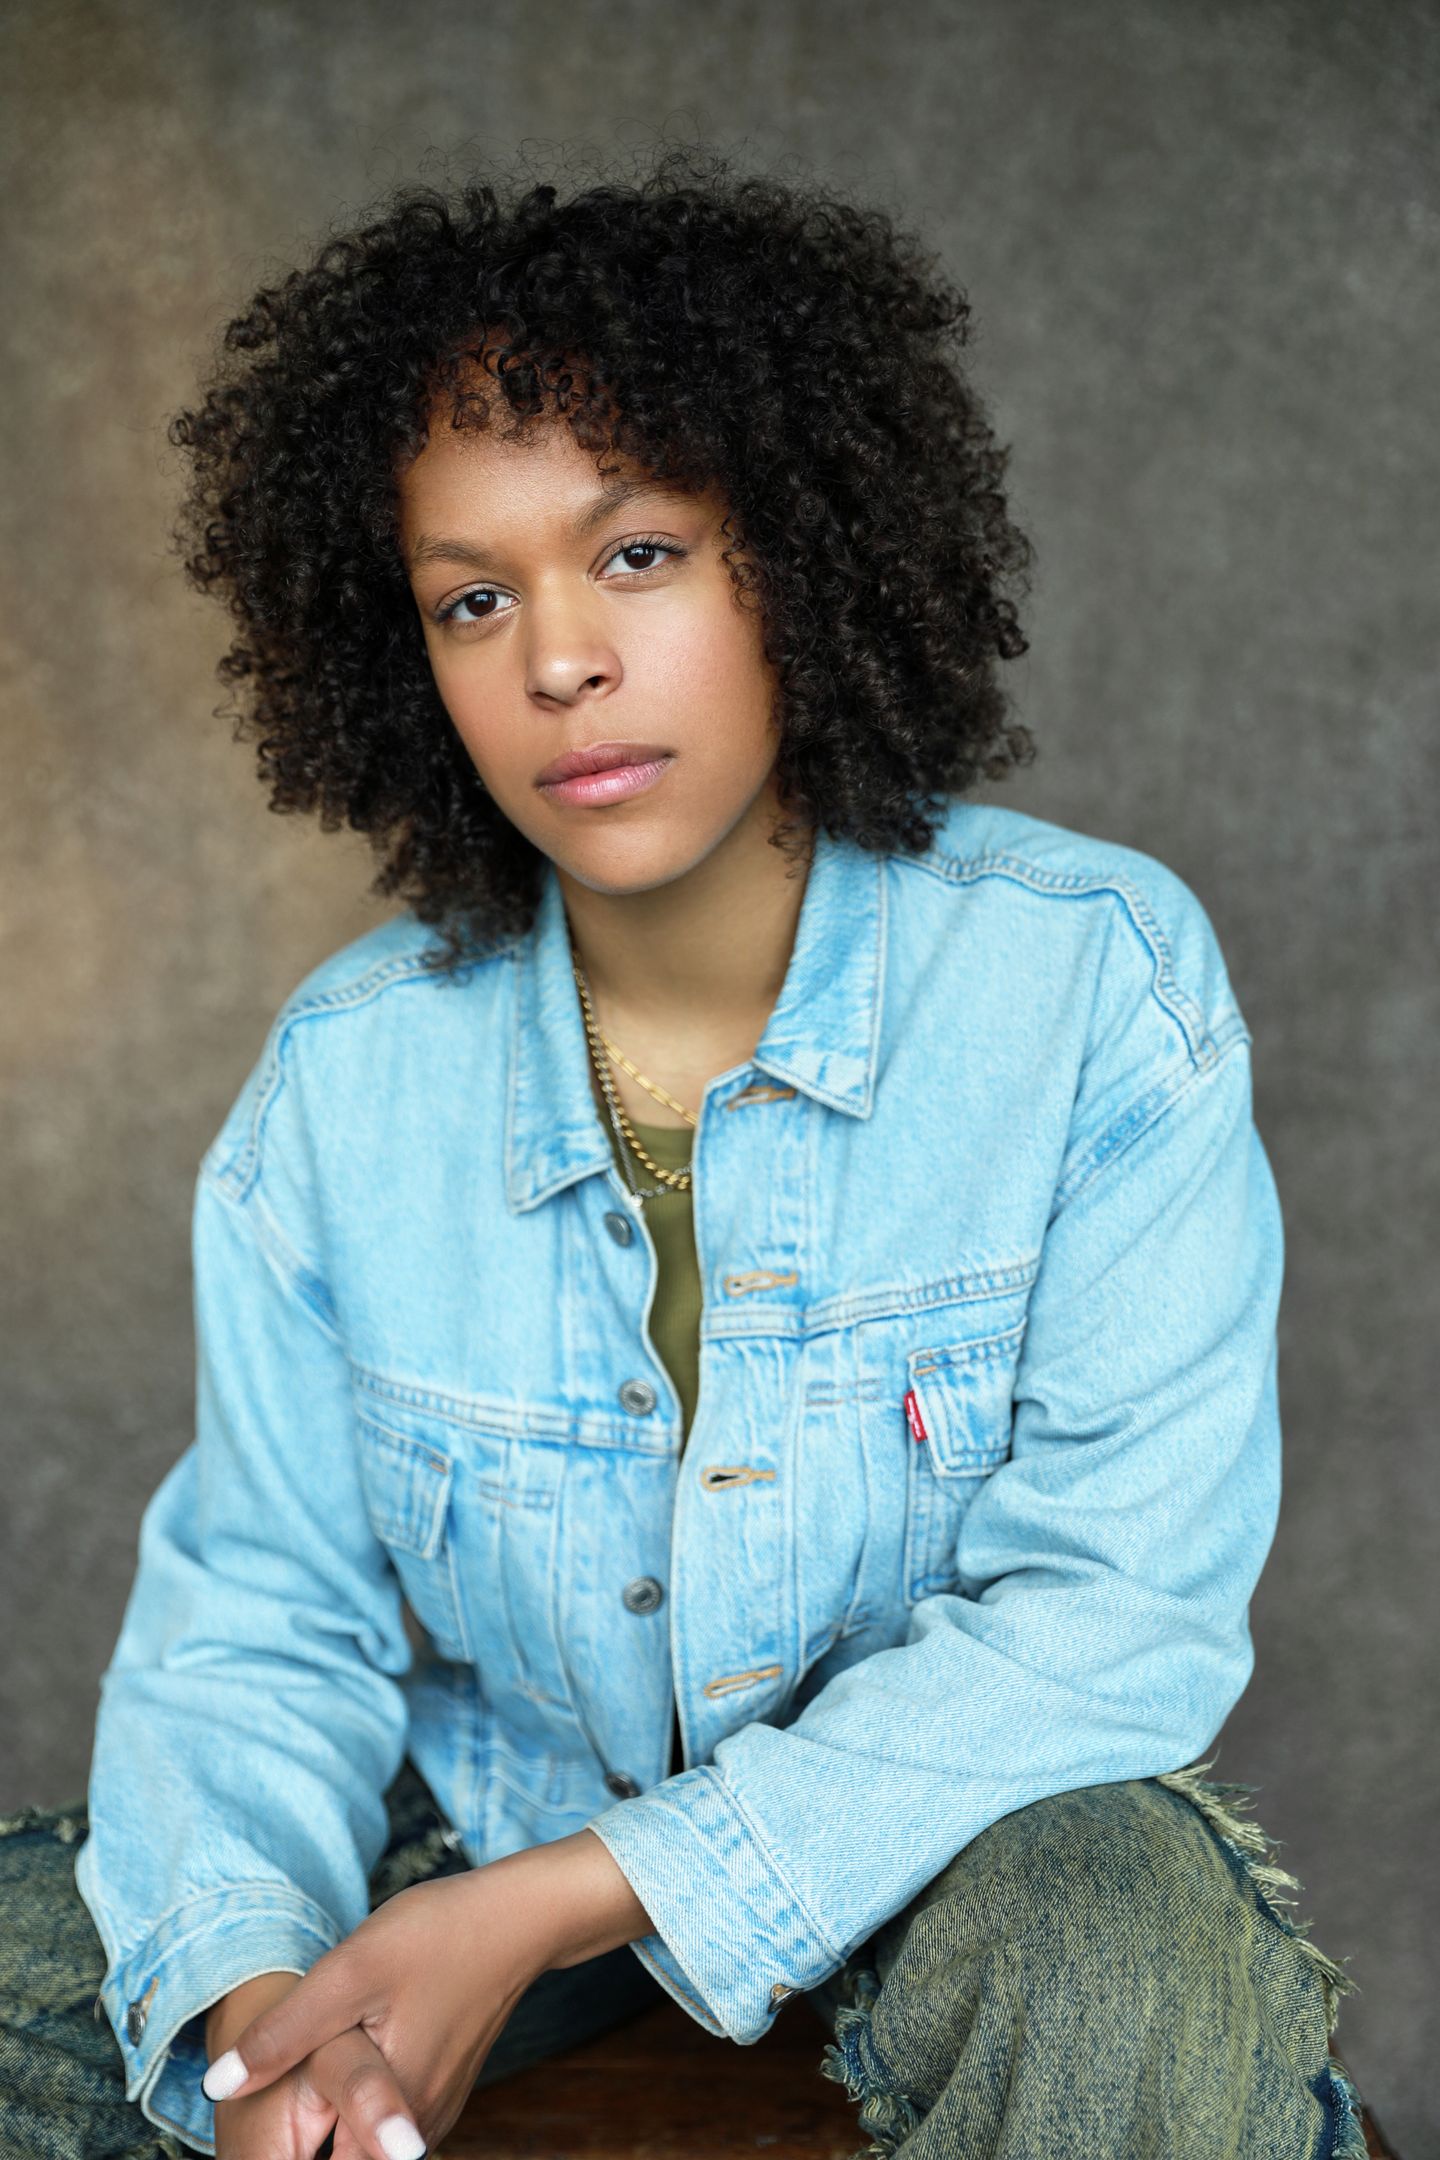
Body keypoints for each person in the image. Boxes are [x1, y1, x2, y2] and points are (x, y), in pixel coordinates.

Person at [0, 142, 1371, 2160]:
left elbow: (1114, 1615)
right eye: (474, 599)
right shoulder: (350, 1081)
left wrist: (560, 1905)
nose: (556, 660)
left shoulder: (1092, 981)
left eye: (637, 554)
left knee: (1109, 1948)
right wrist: (264, 2016)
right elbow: (262, 1621)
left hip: (968, 1846)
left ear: (798, 556)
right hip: (499, 1825)